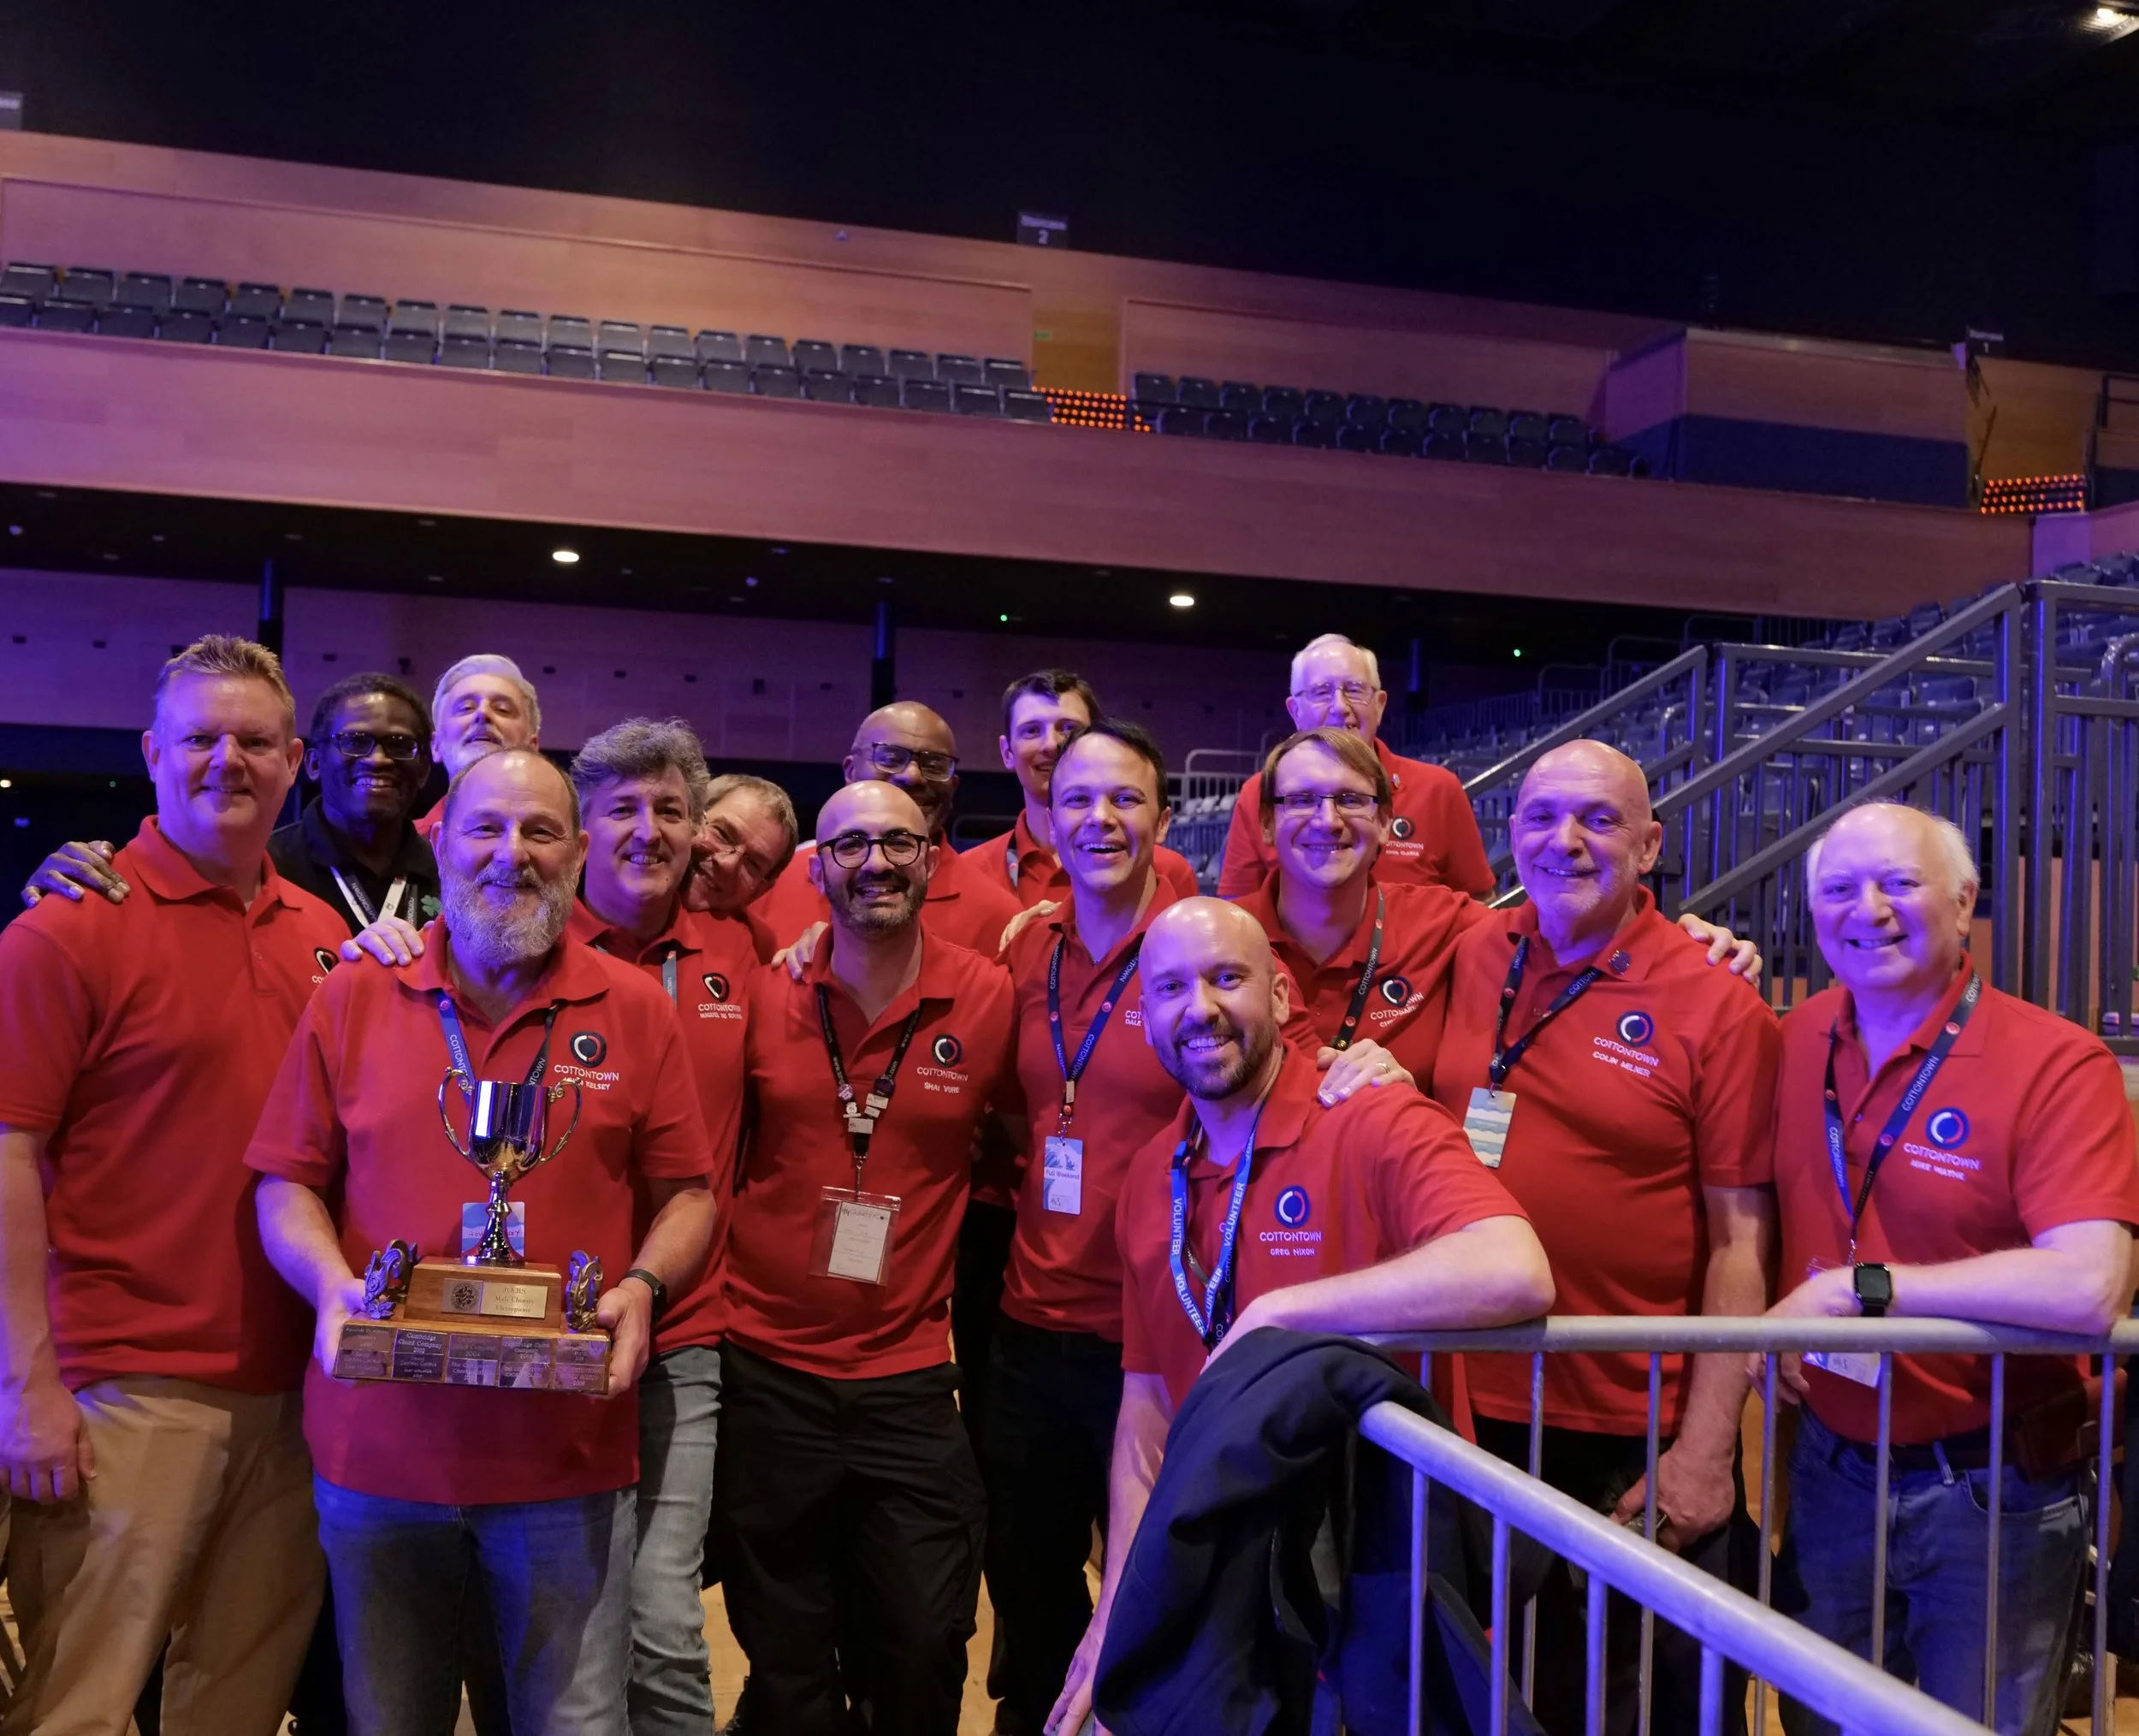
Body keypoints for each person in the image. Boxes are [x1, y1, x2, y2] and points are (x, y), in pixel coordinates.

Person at [246, 745, 718, 1736]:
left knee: (572, 1723)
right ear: (441, 842)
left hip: (565, 1460)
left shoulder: (634, 1008)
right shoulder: (353, 993)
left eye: (541, 831)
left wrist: (637, 1288)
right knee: (390, 1720)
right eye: (487, 828)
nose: (514, 853)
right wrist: (333, 1289)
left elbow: (689, 1195)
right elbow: (286, 1181)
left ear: (579, 850)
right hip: (380, 1453)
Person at [1048, 898, 1555, 1736]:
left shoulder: (1369, 1117)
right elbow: (1147, 1413)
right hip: (1225, 1579)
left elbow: (1514, 1267)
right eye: (1169, 986)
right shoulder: (1149, 1175)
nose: (1198, 1008)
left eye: (1226, 978)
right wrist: (1117, 1616)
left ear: (1281, 996)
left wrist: (1282, 1312)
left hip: (1376, 1582)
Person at [0, 635, 348, 1736]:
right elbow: (6, 1159)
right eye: (199, 738)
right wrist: (28, 1389)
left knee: (238, 1708)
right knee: (78, 1707)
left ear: (294, 762)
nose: (225, 761)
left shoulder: (328, 942)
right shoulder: (65, 927)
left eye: (252, 741)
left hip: (295, 1395)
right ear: (153, 754)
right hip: (122, 1389)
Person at [1763, 803, 2139, 1736]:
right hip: (1830, 1470)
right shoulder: (1793, 1035)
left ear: (1966, 899)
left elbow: (2090, 1285)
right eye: (1839, 889)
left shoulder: (2055, 1062)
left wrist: (1866, 1290)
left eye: (1900, 882)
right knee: (1819, 1720)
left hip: (1991, 1491)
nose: (1868, 909)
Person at [1427, 739, 1779, 1736]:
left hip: (1630, 1434)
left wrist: (1707, 1448)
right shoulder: (1476, 951)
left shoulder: (1717, 998)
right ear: (1510, 835)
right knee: (1477, 1699)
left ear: (1650, 843)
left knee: (1637, 1708)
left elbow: (1739, 1243)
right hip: (1467, 1414)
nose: (1564, 841)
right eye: (1540, 817)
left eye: (1598, 819)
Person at [714, 779, 1016, 1736]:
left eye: (897, 842)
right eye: (849, 846)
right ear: (817, 868)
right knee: (787, 1651)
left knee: (927, 1637)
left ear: (932, 856)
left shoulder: (986, 995)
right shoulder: (768, 991)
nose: (874, 862)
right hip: (767, 1365)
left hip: (909, 1375)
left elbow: (1019, 1136)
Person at [20, 671, 442, 934]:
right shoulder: (257, 867)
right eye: (355, 742)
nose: (379, 758)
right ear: (309, 763)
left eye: (400, 745)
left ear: (425, 768)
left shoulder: (457, 872)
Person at [1217, 634, 1494, 900]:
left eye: (1354, 690)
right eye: (1321, 693)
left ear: (1380, 705)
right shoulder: (1259, 791)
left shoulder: (1438, 789)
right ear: (1295, 711)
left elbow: (1478, 901)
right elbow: (1239, 906)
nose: (1340, 707)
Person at [751, 701, 1022, 956]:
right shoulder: (773, 879)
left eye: (934, 765)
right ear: (850, 770)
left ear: (953, 787)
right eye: (890, 758)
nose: (912, 776)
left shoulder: (995, 915)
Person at [962, 669, 1202, 906]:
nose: (1051, 744)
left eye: (1068, 729)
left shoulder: (1168, 872)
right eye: (1032, 731)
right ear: (1007, 752)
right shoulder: (970, 873)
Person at [416, 653, 542, 840]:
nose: (483, 713)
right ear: (436, 746)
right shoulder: (397, 847)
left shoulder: (559, 851)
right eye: (465, 708)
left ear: (532, 748)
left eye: (502, 709)